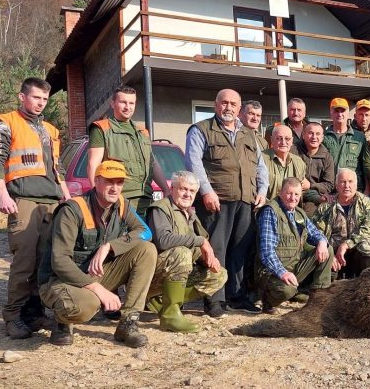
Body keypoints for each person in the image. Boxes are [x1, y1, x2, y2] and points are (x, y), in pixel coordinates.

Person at [38, 161, 155, 347]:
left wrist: (110, 246)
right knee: (86, 306)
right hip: (61, 280)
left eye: (119, 183)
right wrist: (98, 289)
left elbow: (146, 232)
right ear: (97, 181)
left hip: (95, 274)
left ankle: (128, 323)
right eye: (109, 182)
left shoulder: (122, 205)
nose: (115, 188)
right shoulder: (73, 210)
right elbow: (59, 261)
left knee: (147, 250)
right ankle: (62, 322)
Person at [0, 77, 71, 339]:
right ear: (22, 96)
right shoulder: (6, 123)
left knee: (45, 261)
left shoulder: (50, 130)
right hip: (22, 200)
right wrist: (3, 196)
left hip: (50, 202)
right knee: (24, 261)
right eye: (36, 97)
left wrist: (66, 198)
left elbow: (57, 169)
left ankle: (34, 314)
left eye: (45, 99)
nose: (41, 103)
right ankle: (13, 317)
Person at [185, 89, 267, 316]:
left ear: (239, 109)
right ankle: (214, 300)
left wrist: (262, 190)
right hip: (216, 200)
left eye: (233, 104)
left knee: (240, 250)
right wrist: (206, 191)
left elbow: (260, 166)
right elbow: (193, 163)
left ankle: (237, 297)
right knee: (216, 249)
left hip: (245, 200)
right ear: (216, 104)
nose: (228, 107)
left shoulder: (249, 135)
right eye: (224, 103)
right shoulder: (201, 130)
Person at [145, 170, 228, 333]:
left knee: (219, 275)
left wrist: (207, 259)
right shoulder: (161, 208)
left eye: (192, 191)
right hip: (154, 273)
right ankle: (169, 315)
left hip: (178, 270)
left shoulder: (190, 214)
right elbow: (163, 240)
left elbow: (198, 247)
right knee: (182, 253)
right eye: (183, 189)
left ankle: (162, 302)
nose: (187, 194)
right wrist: (201, 241)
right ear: (172, 187)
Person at [86, 85, 170, 216]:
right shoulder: (101, 128)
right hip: (120, 199)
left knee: (146, 236)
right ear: (112, 103)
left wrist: (166, 188)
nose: (128, 107)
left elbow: (152, 163)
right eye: (123, 102)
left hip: (146, 198)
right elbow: (93, 164)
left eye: (132, 103)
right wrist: (96, 196)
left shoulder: (143, 132)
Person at [256, 178, 333, 313]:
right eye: (289, 193)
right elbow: (266, 252)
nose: (293, 198)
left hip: (293, 267)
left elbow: (315, 233)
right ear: (280, 193)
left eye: (296, 194)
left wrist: (321, 242)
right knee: (287, 290)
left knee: (327, 249)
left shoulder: (299, 213)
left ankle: (318, 299)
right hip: (271, 272)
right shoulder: (270, 211)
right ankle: (267, 299)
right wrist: (282, 273)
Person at [312, 168, 370, 279]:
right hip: (334, 254)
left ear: (356, 185)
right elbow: (316, 233)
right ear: (336, 185)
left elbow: (367, 231)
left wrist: (346, 245)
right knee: (321, 250)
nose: (346, 185)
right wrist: (329, 255)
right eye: (343, 182)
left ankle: (366, 284)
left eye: (350, 181)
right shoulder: (325, 207)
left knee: (369, 247)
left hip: (357, 252)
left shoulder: (367, 203)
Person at [323, 97, 367, 182]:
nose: (339, 114)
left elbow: (365, 165)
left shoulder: (359, 137)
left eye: (342, 111)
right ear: (331, 113)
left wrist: (367, 189)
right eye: (336, 111)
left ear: (347, 113)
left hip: (354, 187)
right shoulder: (323, 137)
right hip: (329, 187)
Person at [262, 125, 308, 201]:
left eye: (287, 139)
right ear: (272, 140)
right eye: (279, 138)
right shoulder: (261, 159)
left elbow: (302, 187)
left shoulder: (299, 162)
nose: (283, 142)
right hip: (267, 208)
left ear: (292, 141)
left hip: (291, 209)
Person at [298, 122, 336, 213]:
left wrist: (310, 185)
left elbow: (329, 184)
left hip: (316, 200)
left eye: (318, 134)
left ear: (322, 138)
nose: (314, 137)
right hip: (294, 196)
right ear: (304, 135)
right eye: (311, 133)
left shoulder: (327, 157)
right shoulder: (294, 151)